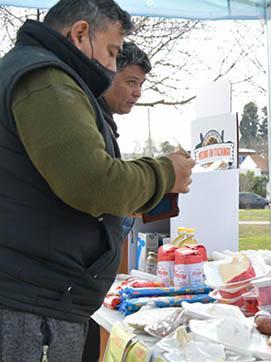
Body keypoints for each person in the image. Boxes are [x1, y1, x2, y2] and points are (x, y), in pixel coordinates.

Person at [0, 1, 195, 360]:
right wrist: (165, 172)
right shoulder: (44, 77)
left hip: (37, 298)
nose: (110, 66)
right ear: (79, 34)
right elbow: (91, 182)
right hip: (32, 304)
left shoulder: (38, 74)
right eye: (111, 52)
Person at [83, 41, 152, 362]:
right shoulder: (87, 118)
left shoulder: (102, 120)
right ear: (107, 72)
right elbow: (97, 188)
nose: (137, 92)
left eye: (141, 84)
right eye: (131, 82)